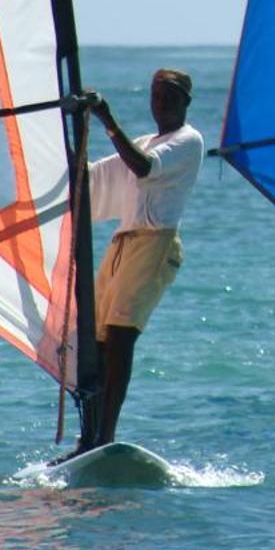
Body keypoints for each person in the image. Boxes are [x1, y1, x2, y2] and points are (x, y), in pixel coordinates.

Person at [73, 69, 203, 452]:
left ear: (185, 103)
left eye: (170, 97)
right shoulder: (145, 140)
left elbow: (143, 166)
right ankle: (88, 438)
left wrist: (106, 118)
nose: (160, 103)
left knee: (120, 338)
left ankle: (106, 436)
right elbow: (93, 177)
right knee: (93, 341)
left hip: (156, 242)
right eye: (156, 95)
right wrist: (74, 129)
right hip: (123, 244)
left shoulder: (188, 140)